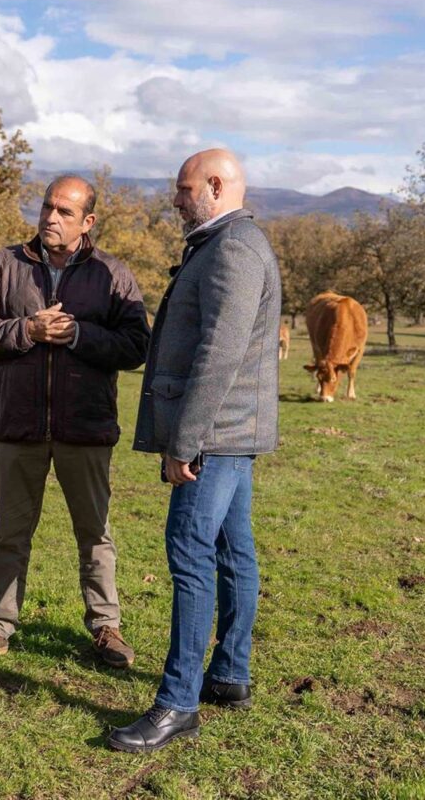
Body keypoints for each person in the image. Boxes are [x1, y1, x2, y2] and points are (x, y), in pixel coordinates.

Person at [108, 149, 282, 753]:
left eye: (183, 190)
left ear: (215, 185)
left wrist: (185, 440)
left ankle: (178, 702)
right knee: (235, 549)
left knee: (189, 554)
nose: (175, 200)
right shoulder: (227, 241)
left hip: (216, 434)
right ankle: (230, 673)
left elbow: (220, 353)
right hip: (233, 432)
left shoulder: (233, 247)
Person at [0, 175, 151, 668]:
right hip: (17, 427)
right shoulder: (5, 265)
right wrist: (26, 330)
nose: (50, 218)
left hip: (86, 429)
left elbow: (136, 345)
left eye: (64, 212)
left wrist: (80, 335)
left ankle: (106, 627)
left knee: (95, 534)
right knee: (10, 533)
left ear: (88, 222)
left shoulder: (112, 273)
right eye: (47, 207)